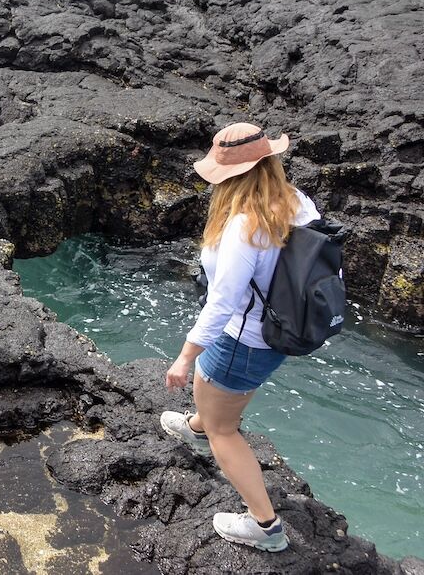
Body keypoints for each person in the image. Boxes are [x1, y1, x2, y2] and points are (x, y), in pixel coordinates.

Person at [161, 122, 323, 553]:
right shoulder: (297, 204)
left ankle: (265, 526)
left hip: (242, 341)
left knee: (225, 431)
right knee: (214, 408)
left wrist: (184, 356)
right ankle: (198, 426)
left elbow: (223, 302)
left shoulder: (243, 227)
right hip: (277, 332)